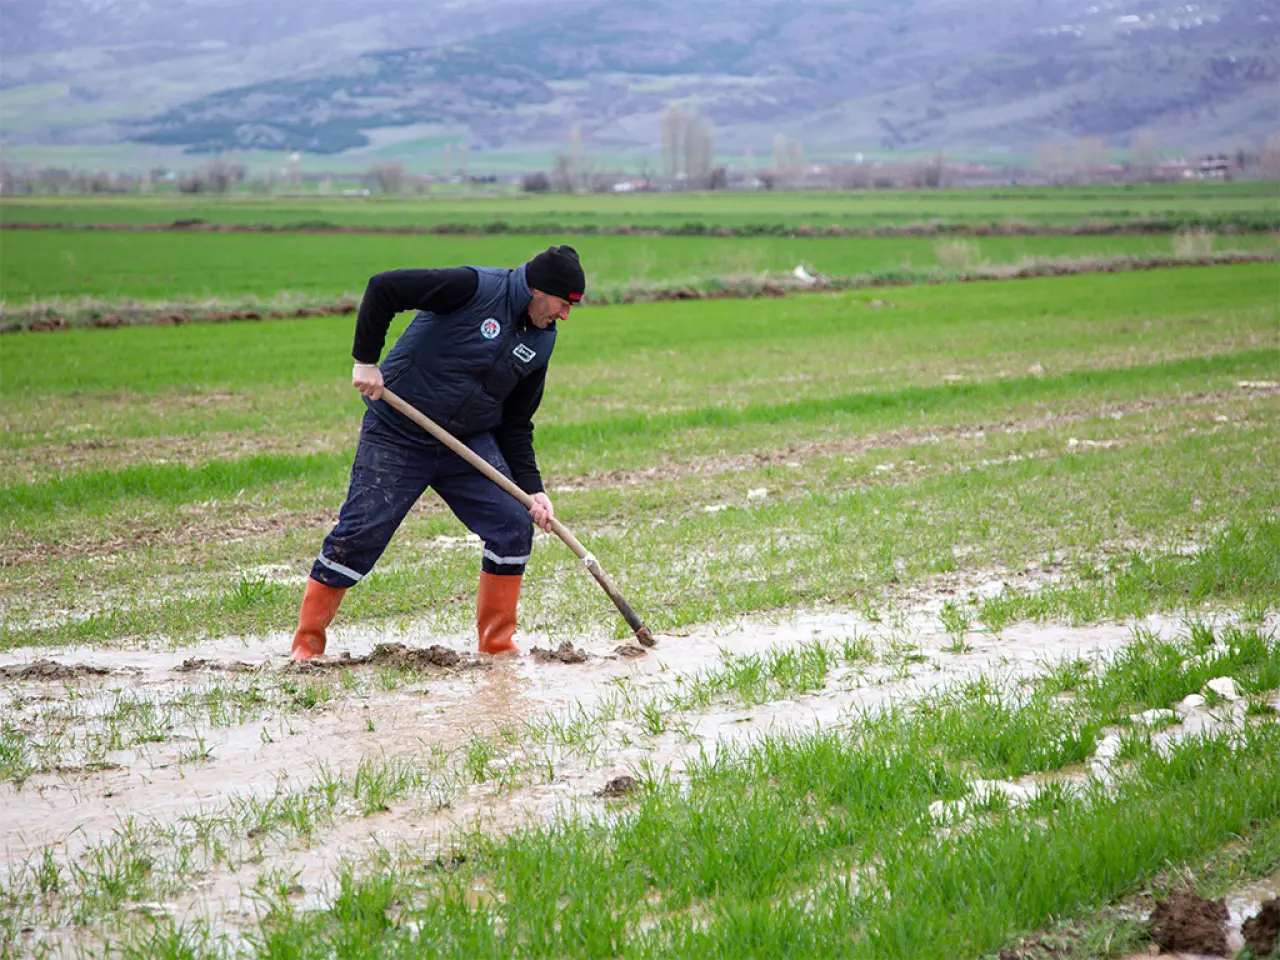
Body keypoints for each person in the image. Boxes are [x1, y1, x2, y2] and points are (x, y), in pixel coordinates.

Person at [290, 245, 585, 660]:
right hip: (398, 433)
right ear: (539, 289)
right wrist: (365, 361)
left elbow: (517, 424)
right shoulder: (473, 287)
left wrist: (533, 490)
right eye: (563, 304)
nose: (566, 315)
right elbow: (383, 288)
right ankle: (307, 646)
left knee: (512, 525)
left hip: (467, 445)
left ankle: (497, 646)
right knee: (359, 534)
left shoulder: (541, 341)